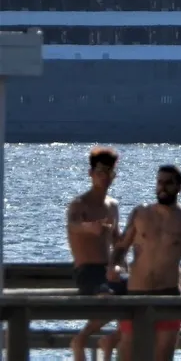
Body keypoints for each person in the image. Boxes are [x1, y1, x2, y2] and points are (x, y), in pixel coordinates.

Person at [109, 164, 181, 361]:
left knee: (162, 357)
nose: (162, 187)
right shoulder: (140, 214)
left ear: (180, 187)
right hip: (136, 294)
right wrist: (115, 266)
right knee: (127, 355)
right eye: (159, 182)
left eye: (168, 183)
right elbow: (120, 248)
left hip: (168, 296)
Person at [65, 146, 128, 361]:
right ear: (91, 174)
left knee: (145, 291)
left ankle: (111, 340)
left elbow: (118, 244)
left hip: (109, 271)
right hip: (88, 272)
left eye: (109, 172)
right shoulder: (79, 204)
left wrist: (119, 265)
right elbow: (73, 224)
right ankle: (81, 339)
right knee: (108, 299)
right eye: (100, 172)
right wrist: (88, 227)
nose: (105, 177)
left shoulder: (113, 206)